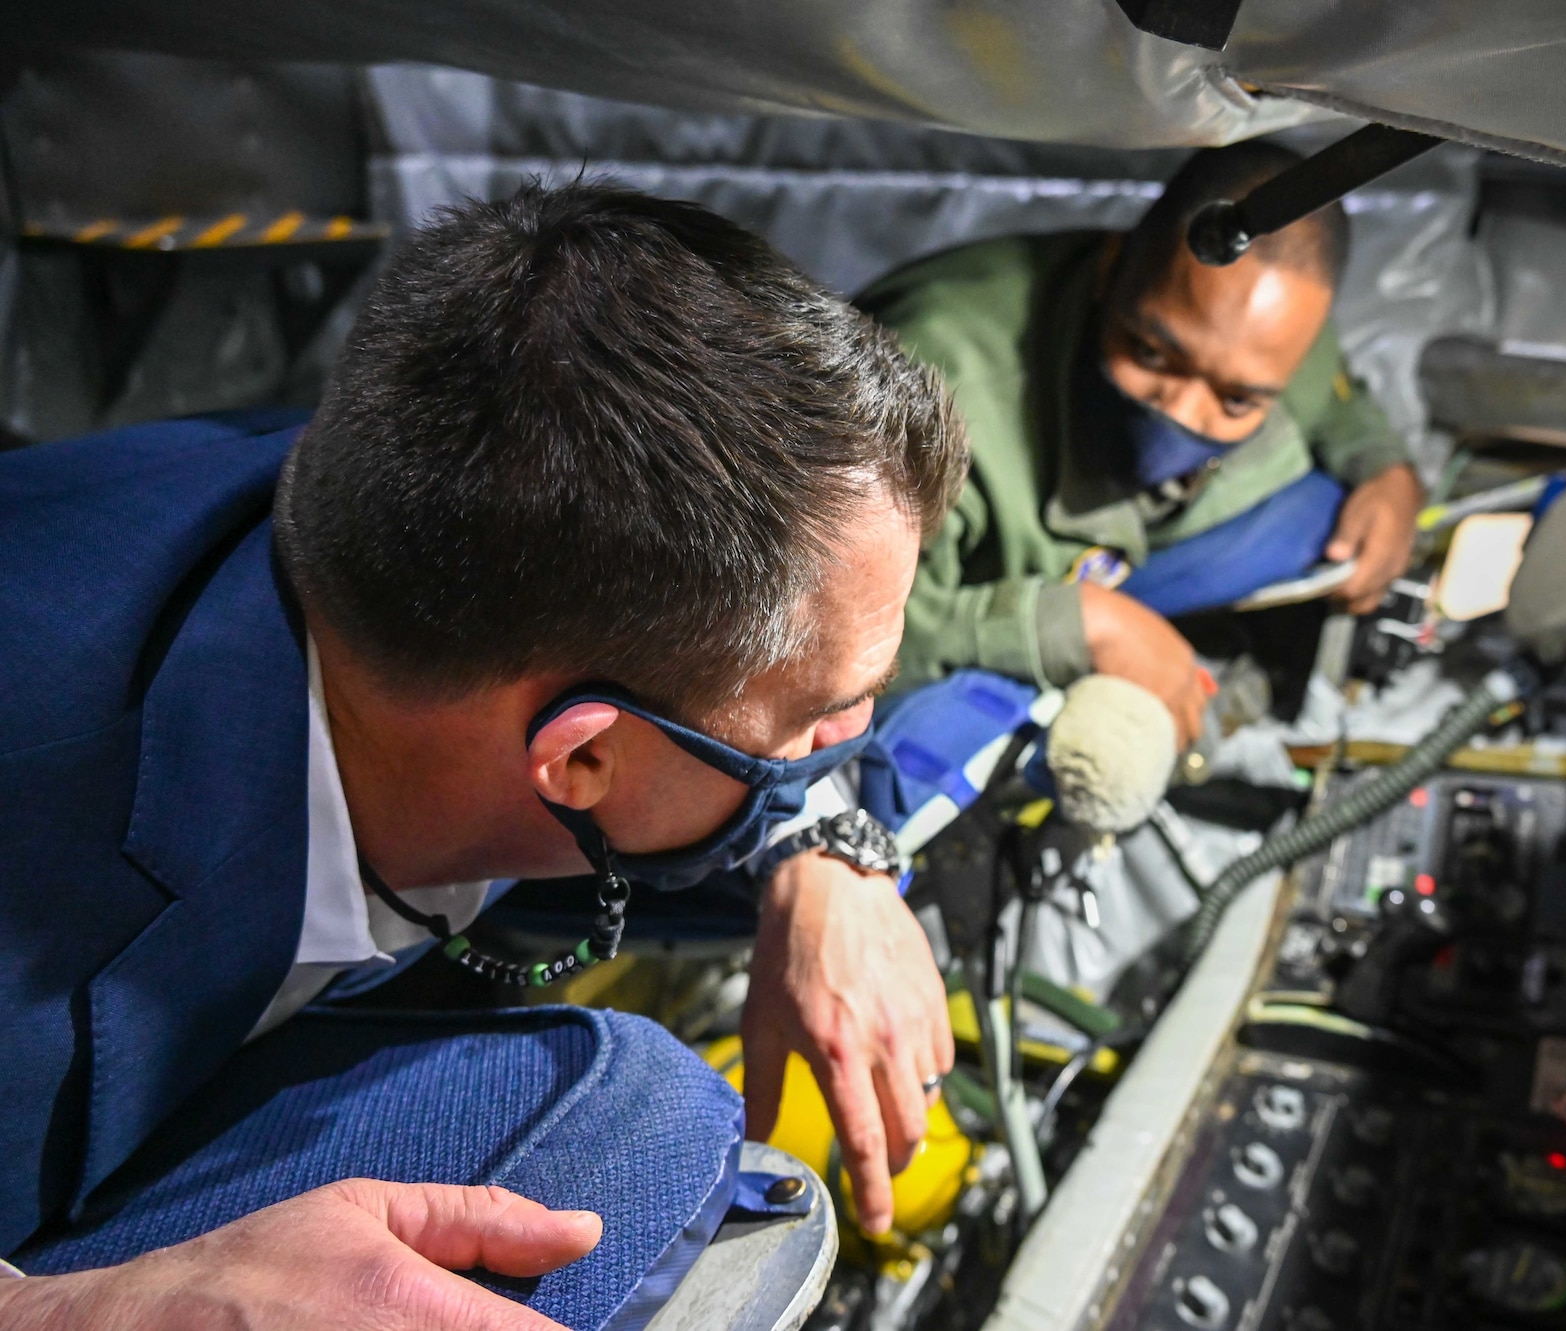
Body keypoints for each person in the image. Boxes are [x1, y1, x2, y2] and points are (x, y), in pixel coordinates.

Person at [0, 182, 966, 1328]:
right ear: (582, 762)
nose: (845, 741)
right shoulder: (40, 816)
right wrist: (79, 1309)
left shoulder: (455, 512)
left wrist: (821, 849)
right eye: (826, 714)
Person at [862, 141, 1424, 745]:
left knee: (1329, 521)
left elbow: (1336, 403)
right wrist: (1075, 628)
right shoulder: (923, 403)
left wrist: (1387, 470)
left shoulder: (1274, 336)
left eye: (1237, 400)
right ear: (1111, 269)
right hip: (938, 590)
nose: (1180, 412)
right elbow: (837, 630)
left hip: (1125, 557)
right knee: (915, 740)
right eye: (1152, 353)